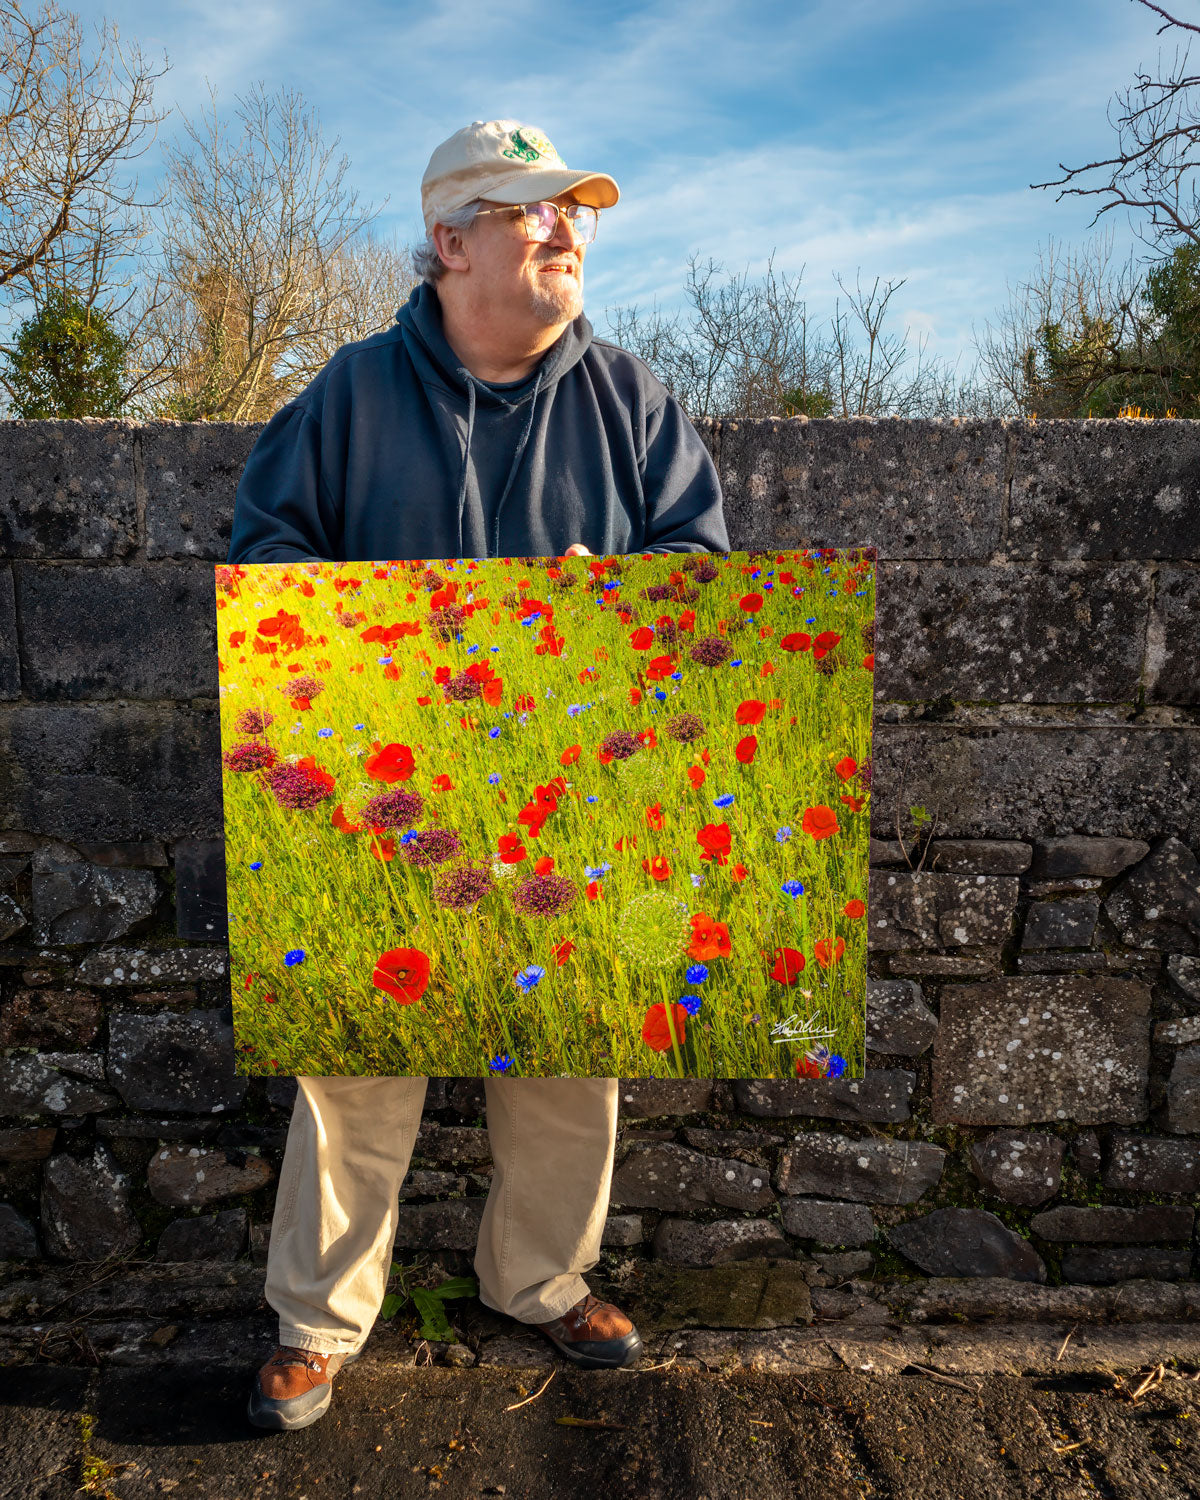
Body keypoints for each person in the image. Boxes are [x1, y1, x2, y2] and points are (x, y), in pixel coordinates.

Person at [227, 118, 730, 1432]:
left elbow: (700, 573)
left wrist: (617, 604)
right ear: (450, 241)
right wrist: (369, 619)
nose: (565, 229)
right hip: (384, 795)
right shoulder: (344, 394)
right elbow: (267, 548)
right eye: (530, 211)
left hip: (574, 803)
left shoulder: (634, 400)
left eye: (574, 211)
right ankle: (318, 1320)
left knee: (568, 1049)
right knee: (355, 1057)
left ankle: (540, 1278)